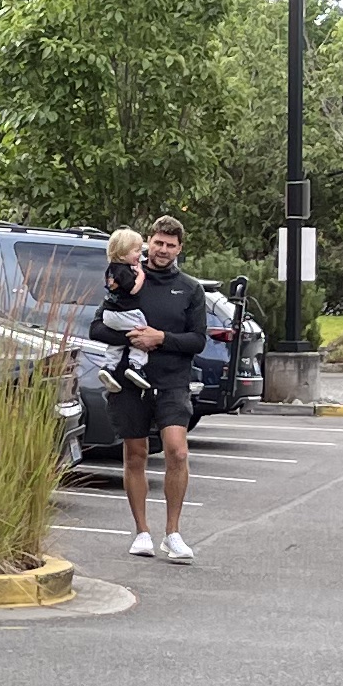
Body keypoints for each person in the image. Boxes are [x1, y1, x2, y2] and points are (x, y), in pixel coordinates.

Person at [96, 214, 209, 563]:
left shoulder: (190, 289)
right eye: (158, 243)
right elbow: (97, 328)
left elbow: (198, 340)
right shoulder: (128, 277)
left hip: (172, 381)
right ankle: (142, 532)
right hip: (129, 381)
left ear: (179, 249)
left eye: (170, 245)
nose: (162, 250)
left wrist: (160, 338)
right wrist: (133, 338)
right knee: (135, 455)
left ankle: (172, 533)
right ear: (148, 242)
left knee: (177, 452)